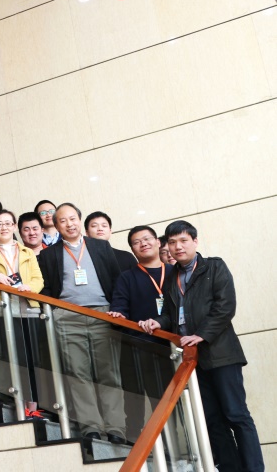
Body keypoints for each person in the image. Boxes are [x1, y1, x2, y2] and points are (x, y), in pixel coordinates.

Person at [140, 221, 263, 472]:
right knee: (212, 420)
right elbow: (173, 315)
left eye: (183, 240)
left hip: (221, 354)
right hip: (192, 359)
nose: (178, 246)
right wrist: (158, 322)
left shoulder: (214, 267)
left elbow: (225, 307)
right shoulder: (171, 276)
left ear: (195, 242)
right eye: (172, 242)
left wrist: (201, 335)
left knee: (236, 414)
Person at [37, 202, 125, 451]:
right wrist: (56, 311)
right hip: (68, 317)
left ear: (79, 220)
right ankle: (91, 426)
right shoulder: (48, 255)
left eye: (73, 218)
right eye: (63, 220)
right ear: (56, 226)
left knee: (109, 373)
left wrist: (117, 310)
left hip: (102, 314)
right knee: (78, 373)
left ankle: (116, 428)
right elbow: (46, 288)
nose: (69, 224)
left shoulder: (100, 246)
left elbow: (117, 281)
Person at [106, 226, 176, 440]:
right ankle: (134, 442)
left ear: (158, 242)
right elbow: (119, 309)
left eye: (147, 239)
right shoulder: (126, 277)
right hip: (138, 348)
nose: (143, 244)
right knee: (135, 400)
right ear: (132, 250)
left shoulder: (176, 272)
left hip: (173, 348)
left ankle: (174, 443)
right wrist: (117, 316)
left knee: (171, 402)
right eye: (137, 242)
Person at [0, 209, 44, 422]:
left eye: (8, 223)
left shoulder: (27, 252)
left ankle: (32, 409)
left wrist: (28, 288)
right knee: (5, 360)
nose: (4, 227)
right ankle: (11, 406)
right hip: (0, 311)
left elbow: (39, 280)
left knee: (30, 361)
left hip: (27, 309)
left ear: (14, 227)